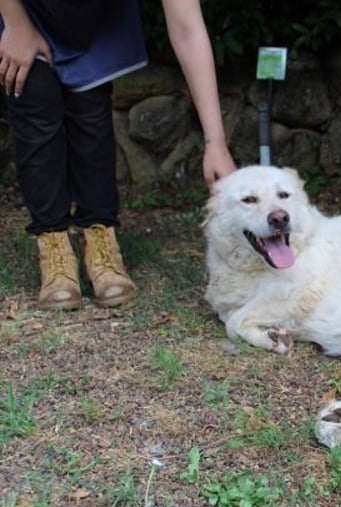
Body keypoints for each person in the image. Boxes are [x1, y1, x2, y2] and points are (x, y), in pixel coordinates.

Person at [0, 0, 236, 310]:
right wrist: (16, 26)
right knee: (35, 98)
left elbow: (188, 30)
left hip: (93, 23)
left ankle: (100, 237)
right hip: (22, 10)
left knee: (91, 111)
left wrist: (215, 142)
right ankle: (52, 241)